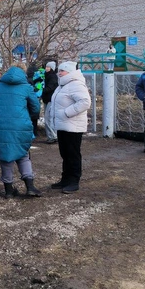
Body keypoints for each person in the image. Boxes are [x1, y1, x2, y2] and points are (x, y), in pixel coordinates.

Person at [0, 64, 42, 198]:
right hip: (21, 125)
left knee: (5, 156)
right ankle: (30, 187)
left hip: (1, 125)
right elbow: (36, 108)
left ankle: (9, 190)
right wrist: (27, 115)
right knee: (23, 155)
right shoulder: (27, 87)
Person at [47, 61, 91, 194]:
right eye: (59, 71)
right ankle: (65, 179)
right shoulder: (63, 85)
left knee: (72, 154)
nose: (59, 73)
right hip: (63, 125)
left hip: (73, 126)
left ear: (70, 72)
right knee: (65, 154)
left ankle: (74, 181)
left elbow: (85, 102)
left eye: (63, 71)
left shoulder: (76, 84)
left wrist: (67, 112)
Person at [42, 61, 59, 144]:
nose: (46, 68)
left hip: (50, 99)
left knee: (47, 118)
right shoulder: (47, 76)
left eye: (48, 67)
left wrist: (41, 90)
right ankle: (53, 135)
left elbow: (50, 87)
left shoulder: (52, 77)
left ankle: (52, 136)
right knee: (49, 118)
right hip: (47, 99)